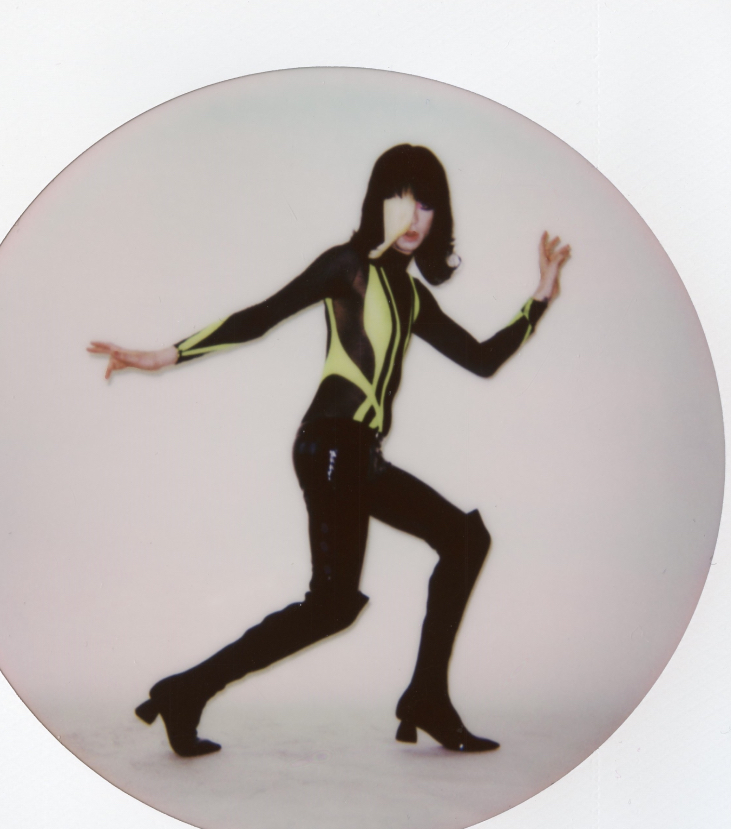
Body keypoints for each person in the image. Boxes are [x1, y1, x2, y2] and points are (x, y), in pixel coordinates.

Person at [89, 144, 570, 758]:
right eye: (400, 198)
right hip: (331, 447)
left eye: (426, 203)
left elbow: (481, 360)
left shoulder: (413, 298)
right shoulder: (348, 267)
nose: (413, 216)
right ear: (378, 204)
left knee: (461, 541)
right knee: (333, 604)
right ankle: (188, 691)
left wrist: (540, 297)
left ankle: (424, 696)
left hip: (361, 456)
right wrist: (163, 356)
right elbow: (260, 317)